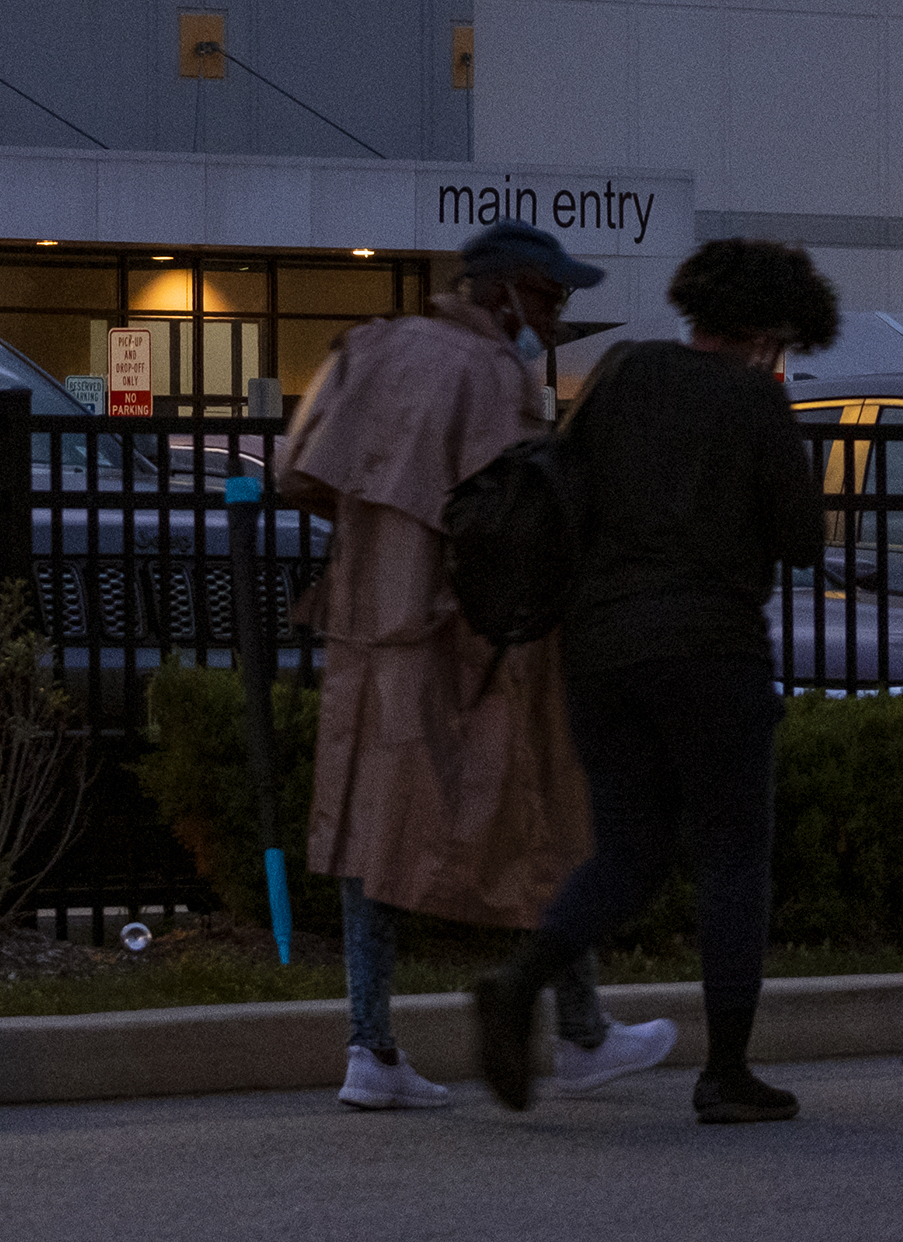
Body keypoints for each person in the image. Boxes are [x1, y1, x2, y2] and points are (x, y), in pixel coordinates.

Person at [279, 220, 675, 1111]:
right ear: (503, 293)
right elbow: (515, 515)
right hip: (471, 636)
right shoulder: (493, 373)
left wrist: (380, 540)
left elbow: (299, 472)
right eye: (549, 296)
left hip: (366, 624)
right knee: (546, 814)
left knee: (367, 831)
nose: (557, 313)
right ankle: (579, 1031)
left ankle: (370, 1047)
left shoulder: (369, 347)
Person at [473, 237, 832, 1126]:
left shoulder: (624, 371)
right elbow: (803, 542)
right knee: (732, 853)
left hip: (600, 650)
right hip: (713, 650)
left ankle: (522, 980)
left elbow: (567, 486)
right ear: (766, 327)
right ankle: (728, 1072)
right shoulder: (756, 400)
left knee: (628, 850)